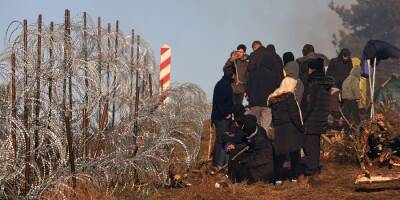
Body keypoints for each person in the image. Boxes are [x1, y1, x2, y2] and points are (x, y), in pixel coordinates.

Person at [267, 64, 304, 184]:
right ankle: (294, 177)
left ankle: (277, 178)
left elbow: (274, 117)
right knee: (295, 155)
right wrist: (301, 128)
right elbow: (294, 116)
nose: (295, 88)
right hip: (291, 130)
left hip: (280, 130)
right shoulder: (290, 99)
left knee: (280, 155)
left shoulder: (274, 100)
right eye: (294, 86)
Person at [301, 58, 334, 178]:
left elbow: (309, 104)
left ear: (312, 69)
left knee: (309, 145)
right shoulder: (325, 84)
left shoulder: (313, 83)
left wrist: (303, 118)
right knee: (315, 145)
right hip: (320, 118)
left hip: (311, 119)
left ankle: (311, 170)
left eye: (309, 68)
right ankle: (314, 167)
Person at [246, 42, 280, 135]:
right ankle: (264, 145)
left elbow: (247, 87)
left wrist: (251, 95)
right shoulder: (273, 75)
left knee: (255, 127)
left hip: (254, 103)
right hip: (267, 104)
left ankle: (255, 145)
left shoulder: (253, 74)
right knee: (264, 128)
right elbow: (276, 89)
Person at [235, 115, 274, 183]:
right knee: (238, 165)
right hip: (258, 169)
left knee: (241, 170)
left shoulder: (261, 140)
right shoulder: (255, 136)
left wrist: (246, 162)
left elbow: (262, 158)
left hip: (263, 172)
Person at [211, 67, 235, 170]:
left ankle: (217, 163)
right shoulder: (225, 86)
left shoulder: (220, 83)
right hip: (222, 118)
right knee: (222, 139)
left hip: (217, 116)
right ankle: (218, 164)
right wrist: (227, 114)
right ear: (232, 75)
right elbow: (221, 102)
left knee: (220, 140)